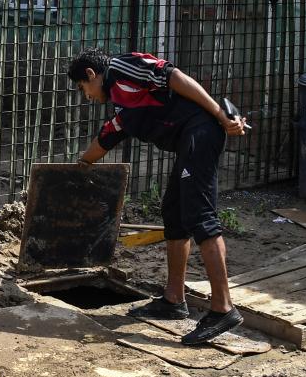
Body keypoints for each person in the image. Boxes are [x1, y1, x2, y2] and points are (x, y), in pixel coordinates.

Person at [68, 50, 250, 345]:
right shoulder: (126, 104)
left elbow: (175, 76)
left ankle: (223, 308)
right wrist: (80, 167)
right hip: (190, 141)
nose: (86, 95)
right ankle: (173, 300)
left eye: (82, 88)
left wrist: (220, 114)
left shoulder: (121, 67)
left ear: (91, 74)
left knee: (200, 217)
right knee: (174, 214)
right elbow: (106, 137)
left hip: (201, 133)